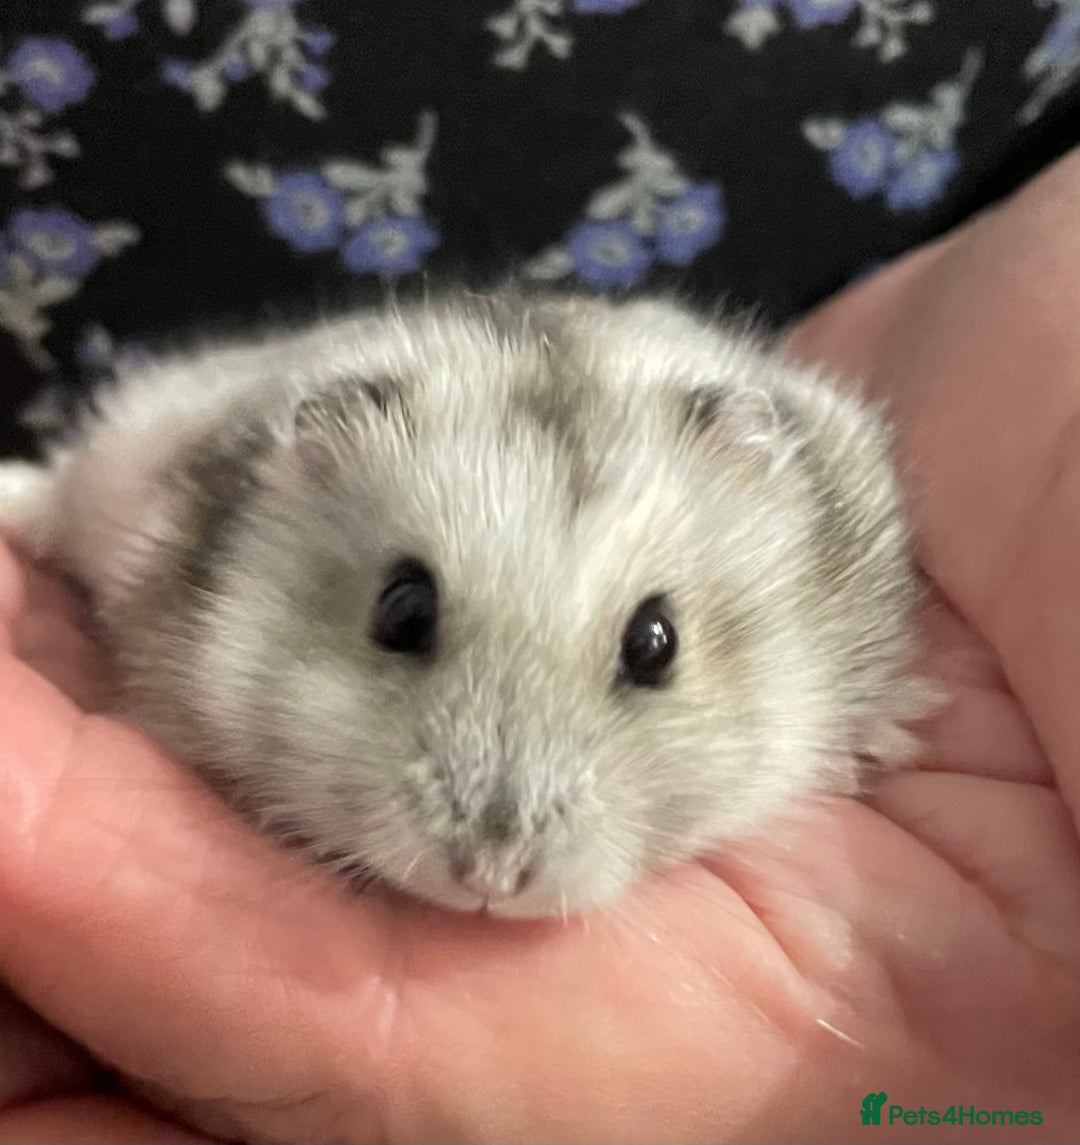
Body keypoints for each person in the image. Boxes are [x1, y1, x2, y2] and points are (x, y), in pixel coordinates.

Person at [1, 140, 1079, 1144]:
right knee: (115, 471)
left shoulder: (803, 528)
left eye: (648, 650)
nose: (498, 843)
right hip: (305, 380)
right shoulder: (259, 490)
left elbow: (843, 465)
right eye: (407, 623)